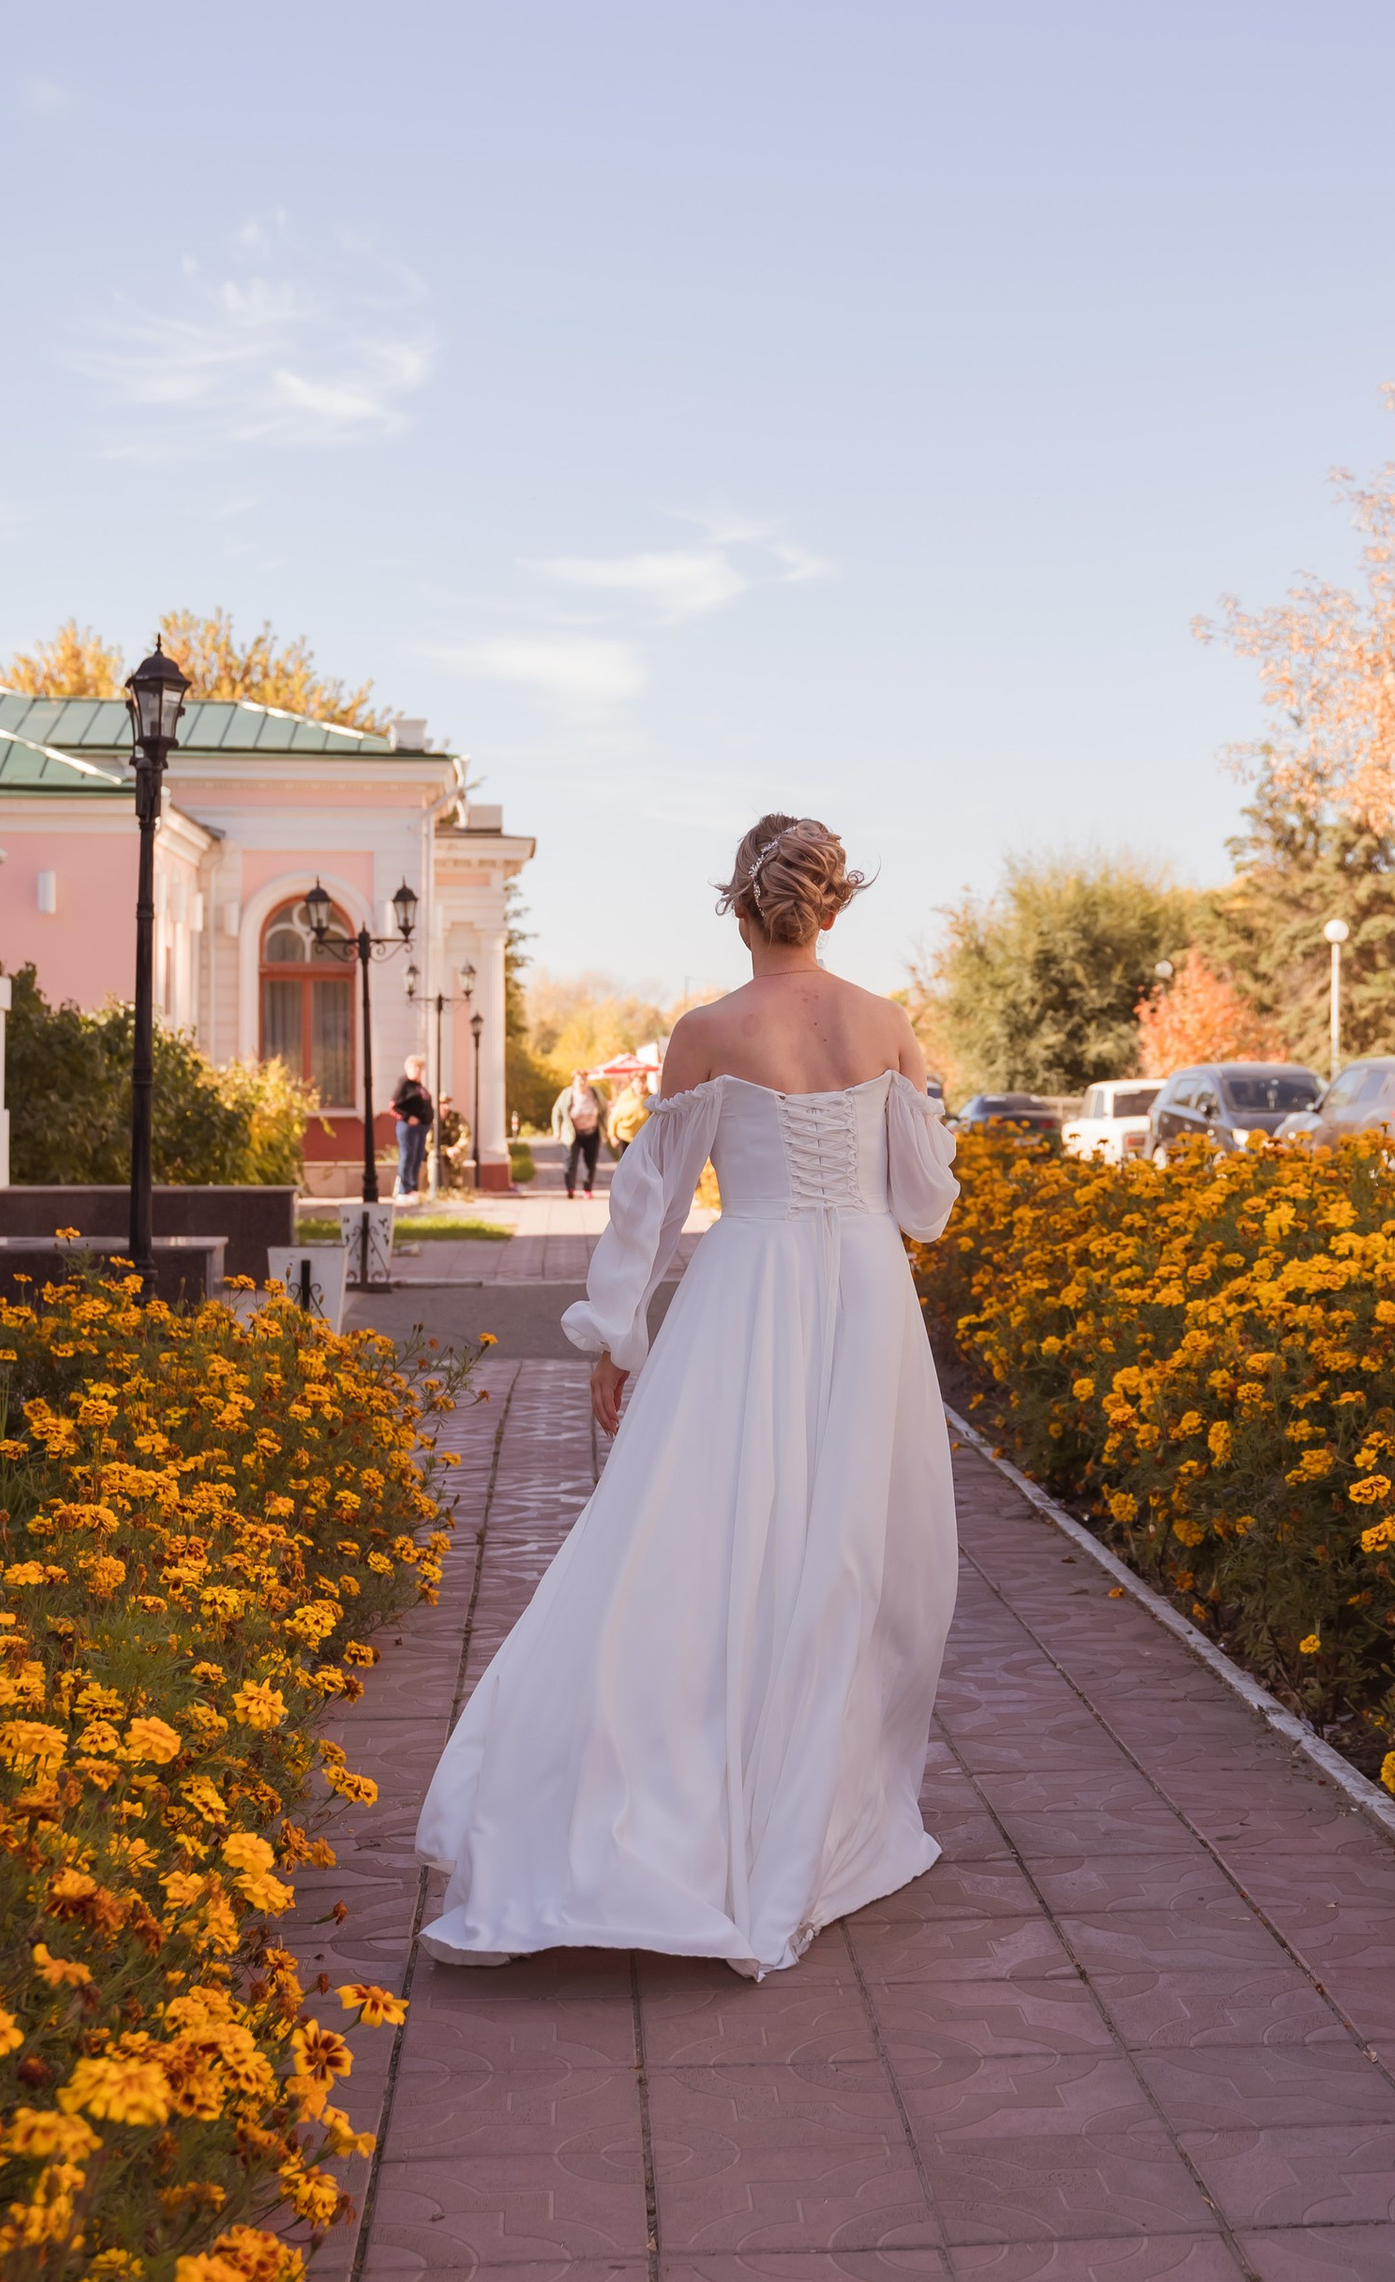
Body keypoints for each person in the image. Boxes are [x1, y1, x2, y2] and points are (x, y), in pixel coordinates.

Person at [415, 813, 959, 1980]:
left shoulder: (705, 1033)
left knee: (712, 1535)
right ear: (833, 906)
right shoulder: (887, 1023)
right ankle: (821, 1810)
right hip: (868, 1297)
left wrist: (620, 1334)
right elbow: (923, 1205)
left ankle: (689, 1790)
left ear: (738, 906)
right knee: (853, 1550)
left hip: (749, 1290)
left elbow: (649, 1205)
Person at [554, 1069, 605, 1197]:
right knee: (570, 1162)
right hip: (572, 1133)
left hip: (592, 1132)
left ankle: (587, 1189)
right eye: (579, 1080)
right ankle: (570, 1188)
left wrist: (607, 1128)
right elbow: (556, 1112)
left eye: (584, 1079)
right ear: (573, 1081)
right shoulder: (567, 1094)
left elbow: (604, 1110)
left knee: (590, 1163)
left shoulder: (595, 1093)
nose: (582, 1082)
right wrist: (557, 1130)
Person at [391, 1057, 433, 1201]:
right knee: (407, 1155)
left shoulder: (419, 1087)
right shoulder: (404, 1084)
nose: (417, 1070)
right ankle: (403, 1189)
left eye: (420, 1068)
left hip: (421, 1128)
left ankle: (413, 1187)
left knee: (417, 1156)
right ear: (408, 1068)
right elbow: (393, 1106)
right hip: (408, 1128)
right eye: (414, 1067)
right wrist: (407, 1117)